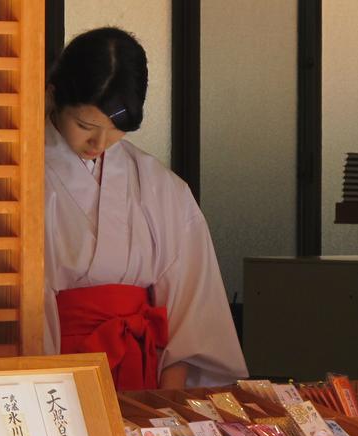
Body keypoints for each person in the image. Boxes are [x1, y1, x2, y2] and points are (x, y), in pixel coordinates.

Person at [44, 27, 247, 390]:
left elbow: (190, 316)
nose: (100, 143)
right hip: (47, 374)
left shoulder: (160, 187)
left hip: (142, 381)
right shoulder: (14, 178)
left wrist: (165, 407)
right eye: (85, 126)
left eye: (116, 130)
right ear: (53, 96)